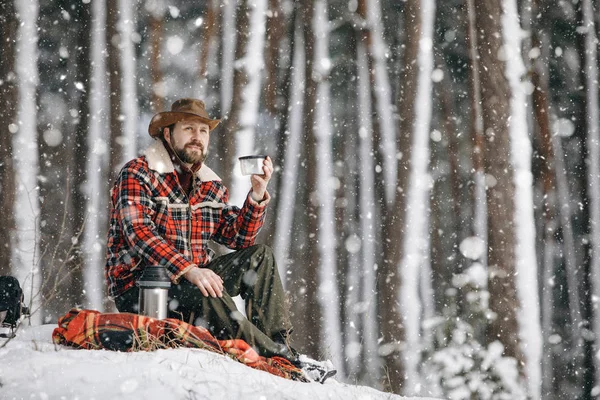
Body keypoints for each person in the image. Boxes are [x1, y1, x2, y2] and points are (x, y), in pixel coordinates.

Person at [104, 98, 334, 382]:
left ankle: (281, 350)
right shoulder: (138, 172)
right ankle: (284, 360)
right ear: (167, 133)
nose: (197, 137)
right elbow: (138, 231)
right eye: (188, 129)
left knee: (259, 257)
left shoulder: (210, 184)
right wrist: (189, 270)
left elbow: (238, 236)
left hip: (194, 282)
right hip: (142, 290)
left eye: (203, 131)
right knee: (206, 291)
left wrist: (257, 196)